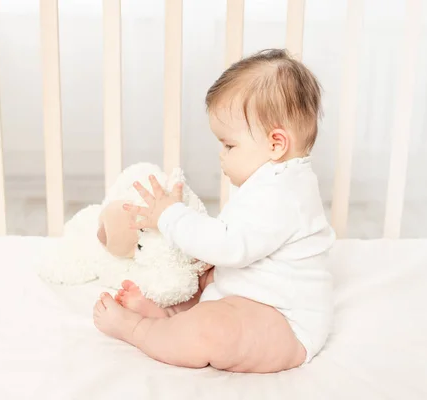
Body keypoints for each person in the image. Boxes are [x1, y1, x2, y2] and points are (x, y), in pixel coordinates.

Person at [93, 48, 335, 373]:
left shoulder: (283, 194)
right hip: (251, 298)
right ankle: (171, 317)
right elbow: (242, 245)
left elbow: (229, 245)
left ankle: (140, 330)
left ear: (276, 144)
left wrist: (169, 215)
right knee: (205, 279)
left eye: (229, 145)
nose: (221, 155)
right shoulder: (275, 181)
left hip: (286, 324)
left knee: (213, 330)